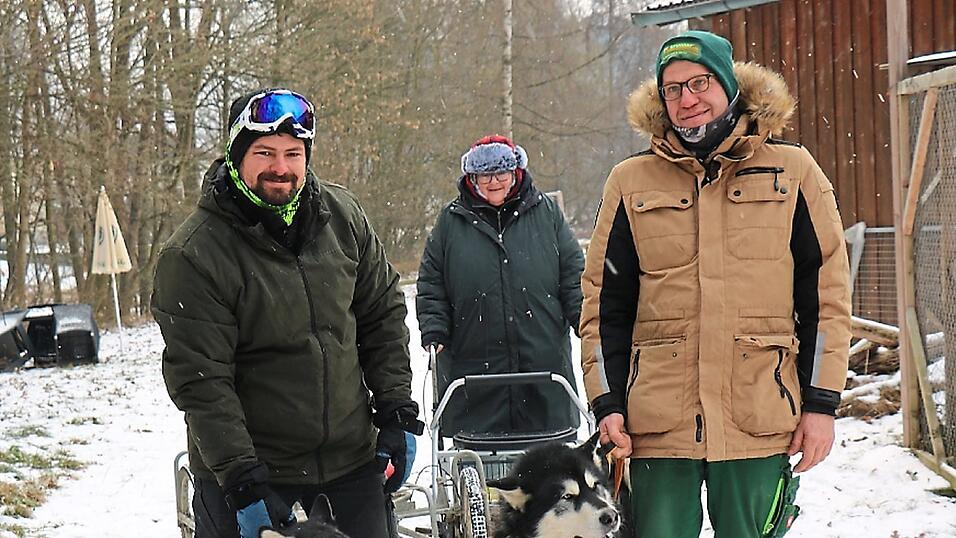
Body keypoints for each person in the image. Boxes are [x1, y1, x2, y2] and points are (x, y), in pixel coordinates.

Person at [580, 31, 851, 538]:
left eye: (699, 82)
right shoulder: (630, 181)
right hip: (657, 425)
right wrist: (607, 404)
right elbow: (604, 306)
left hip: (758, 414)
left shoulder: (792, 171)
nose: (687, 99)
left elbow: (826, 299)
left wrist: (821, 404)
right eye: (673, 89)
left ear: (728, 85)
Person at [151, 88, 423, 538]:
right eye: (264, 153)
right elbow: (202, 381)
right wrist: (241, 479)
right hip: (251, 476)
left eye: (293, 153)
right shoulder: (193, 254)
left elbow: (382, 315)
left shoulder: (343, 217)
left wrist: (396, 411)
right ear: (237, 155)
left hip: (350, 464)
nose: (280, 167)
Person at [416, 135, 584, 438]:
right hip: (474, 375)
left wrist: (584, 318)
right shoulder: (450, 222)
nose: (494, 182)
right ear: (472, 177)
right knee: (479, 461)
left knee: (550, 461)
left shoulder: (547, 214)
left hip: (543, 369)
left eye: (501, 173)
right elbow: (432, 284)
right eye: (485, 175)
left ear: (516, 172)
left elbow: (574, 276)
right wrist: (434, 328)